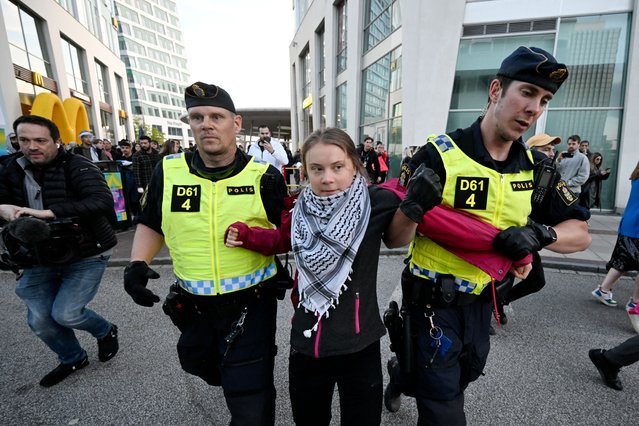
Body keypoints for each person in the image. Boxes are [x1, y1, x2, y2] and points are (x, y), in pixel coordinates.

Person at [384, 46, 591, 424]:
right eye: (527, 93)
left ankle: (401, 373)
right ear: (496, 90)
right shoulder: (438, 154)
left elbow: (580, 233)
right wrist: (413, 207)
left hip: (482, 304)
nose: (534, 108)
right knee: (445, 408)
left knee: (464, 375)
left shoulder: (539, 169)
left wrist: (541, 234)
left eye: (543, 100)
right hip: (429, 302)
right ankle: (410, 371)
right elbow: (395, 239)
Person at [224, 127, 437, 425]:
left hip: (360, 344)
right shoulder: (299, 209)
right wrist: (246, 235)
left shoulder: (375, 202)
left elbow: (423, 218)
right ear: (305, 171)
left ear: (354, 165)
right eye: (317, 169)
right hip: (308, 342)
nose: (327, 178)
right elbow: (279, 240)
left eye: (338, 167)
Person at [122, 82, 288, 426]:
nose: (206, 124)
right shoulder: (168, 170)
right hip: (193, 306)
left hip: (251, 303)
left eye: (216, 116)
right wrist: (137, 264)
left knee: (249, 397)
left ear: (236, 123)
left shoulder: (265, 177)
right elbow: (153, 222)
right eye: (197, 117)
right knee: (199, 363)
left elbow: (286, 237)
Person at [0, 115, 118, 387]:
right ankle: (72, 357)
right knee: (40, 320)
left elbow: (101, 201)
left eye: (40, 140)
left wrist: (49, 213)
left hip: (87, 253)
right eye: (25, 140)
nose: (32, 147)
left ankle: (105, 330)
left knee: (66, 313)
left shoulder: (79, 165)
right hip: (36, 256)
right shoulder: (8, 168)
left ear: (56, 141)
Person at [492, 133, 590, 327]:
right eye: (545, 149)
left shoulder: (549, 176)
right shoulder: (507, 167)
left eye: (552, 150)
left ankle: (500, 301)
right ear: (530, 151)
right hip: (497, 238)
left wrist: (541, 234)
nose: (551, 153)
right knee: (502, 278)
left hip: (526, 238)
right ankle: (489, 307)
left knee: (536, 281)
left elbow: (579, 221)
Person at [591, 161, 639, 318]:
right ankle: (635, 302)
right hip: (636, 227)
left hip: (628, 225)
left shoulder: (636, 177)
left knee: (622, 261)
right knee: (625, 261)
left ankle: (603, 290)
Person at [557, 135, 589, 202]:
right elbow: (555, 171)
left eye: (573, 144)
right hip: (558, 190)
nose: (571, 145)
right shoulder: (563, 155)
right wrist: (558, 160)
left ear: (578, 144)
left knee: (568, 212)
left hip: (572, 192)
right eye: (569, 144)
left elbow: (583, 177)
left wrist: (567, 183)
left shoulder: (583, 158)